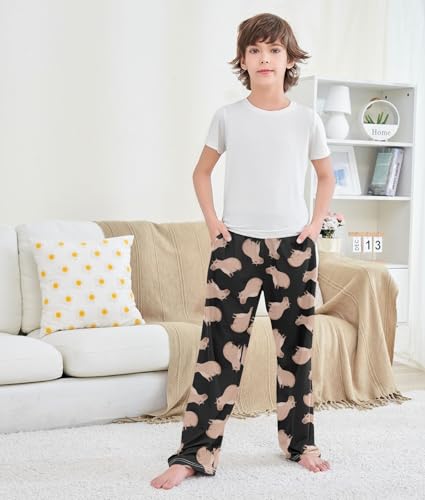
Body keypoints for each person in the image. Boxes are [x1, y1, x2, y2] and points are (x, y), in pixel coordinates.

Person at [151, 12, 335, 490]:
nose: (264, 58)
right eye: (255, 50)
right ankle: (194, 454)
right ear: (244, 60)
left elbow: (326, 176)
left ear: (289, 60)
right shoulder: (228, 117)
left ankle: (300, 443)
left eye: (274, 50)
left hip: (294, 249)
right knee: (217, 351)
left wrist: (314, 226)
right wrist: (214, 224)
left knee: (296, 351)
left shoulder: (306, 119)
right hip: (236, 248)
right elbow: (201, 172)